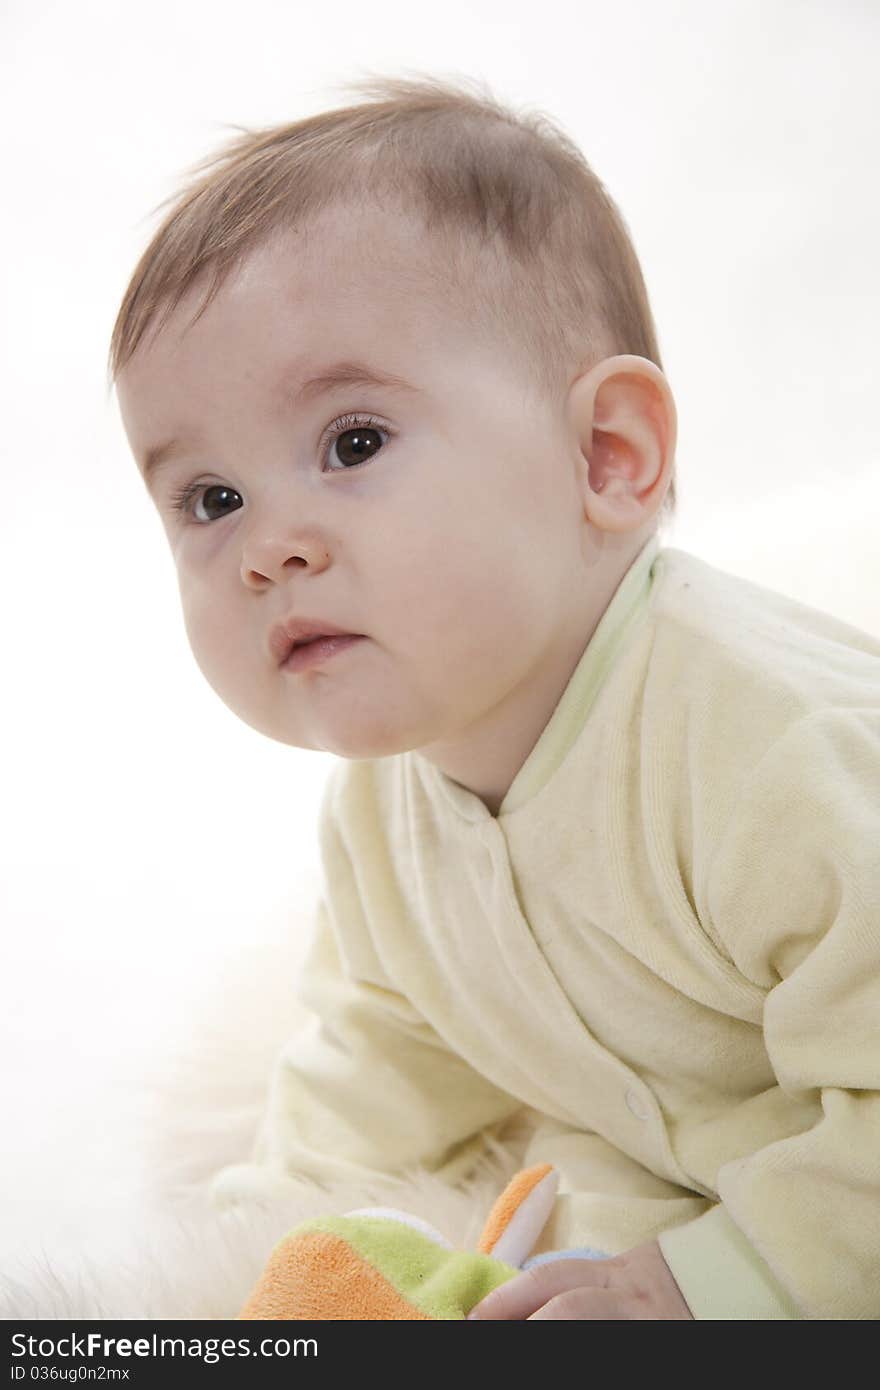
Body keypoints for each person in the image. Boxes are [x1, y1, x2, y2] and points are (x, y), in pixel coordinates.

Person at [109, 74, 880, 1320]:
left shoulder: (772, 754)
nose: (265, 548)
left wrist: (713, 1284)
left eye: (352, 443)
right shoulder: (385, 809)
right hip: (668, 1159)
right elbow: (386, 1042)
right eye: (210, 499)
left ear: (603, 456)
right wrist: (279, 1227)